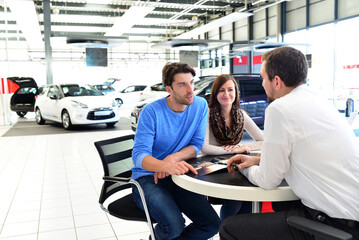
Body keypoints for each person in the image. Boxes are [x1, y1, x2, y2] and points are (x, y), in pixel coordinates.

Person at [220, 46, 359, 240]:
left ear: (276, 81)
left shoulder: (279, 109)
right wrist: (258, 159)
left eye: (262, 78)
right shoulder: (319, 100)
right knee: (281, 205)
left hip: (335, 224)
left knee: (229, 228)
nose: (262, 84)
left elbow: (268, 181)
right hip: (351, 215)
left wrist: (242, 167)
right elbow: (304, 149)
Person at [131, 62, 220, 240]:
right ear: (169, 89)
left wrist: (172, 159)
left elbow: (195, 145)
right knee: (174, 225)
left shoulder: (200, 105)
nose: (190, 90)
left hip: (177, 176)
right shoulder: (151, 112)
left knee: (211, 224)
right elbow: (139, 156)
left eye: (192, 82)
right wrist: (163, 166)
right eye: (182, 84)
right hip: (147, 179)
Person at [201, 74, 264, 222]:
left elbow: (262, 140)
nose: (226, 94)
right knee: (234, 204)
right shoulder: (208, 114)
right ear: (215, 93)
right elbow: (205, 148)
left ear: (236, 92)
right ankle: (226, 233)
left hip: (235, 163)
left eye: (230, 89)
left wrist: (244, 147)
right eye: (221, 90)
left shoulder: (241, 115)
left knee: (249, 202)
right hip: (213, 165)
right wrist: (234, 150)